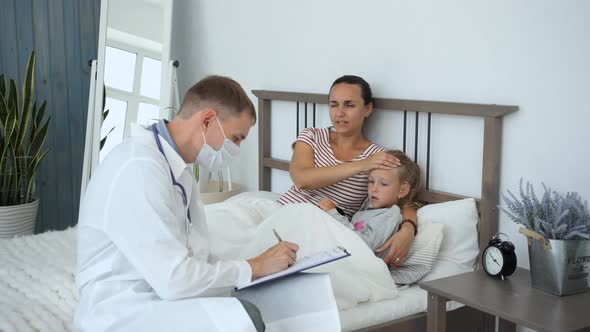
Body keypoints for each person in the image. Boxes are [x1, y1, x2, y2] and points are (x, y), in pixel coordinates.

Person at [75, 76, 299, 332]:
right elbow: (174, 280)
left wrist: (254, 268)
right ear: (207, 120)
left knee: (262, 303)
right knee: (247, 317)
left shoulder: (176, 170)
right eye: (236, 139)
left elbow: (196, 255)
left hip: (157, 293)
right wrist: (252, 267)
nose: (235, 150)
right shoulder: (139, 167)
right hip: (122, 310)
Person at [277, 75, 418, 267]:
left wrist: (408, 230)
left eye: (349, 105)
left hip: (321, 233)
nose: (339, 113)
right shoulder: (312, 135)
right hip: (283, 215)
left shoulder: (377, 157)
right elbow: (302, 179)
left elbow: (403, 199)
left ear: (368, 109)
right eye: (334, 105)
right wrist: (361, 165)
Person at [318, 150, 420, 254]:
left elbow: (364, 246)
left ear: (402, 190)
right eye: (371, 181)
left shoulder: (389, 215)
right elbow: (355, 229)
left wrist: (334, 214)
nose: (374, 188)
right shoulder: (371, 204)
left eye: (383, 184)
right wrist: (337, 212)